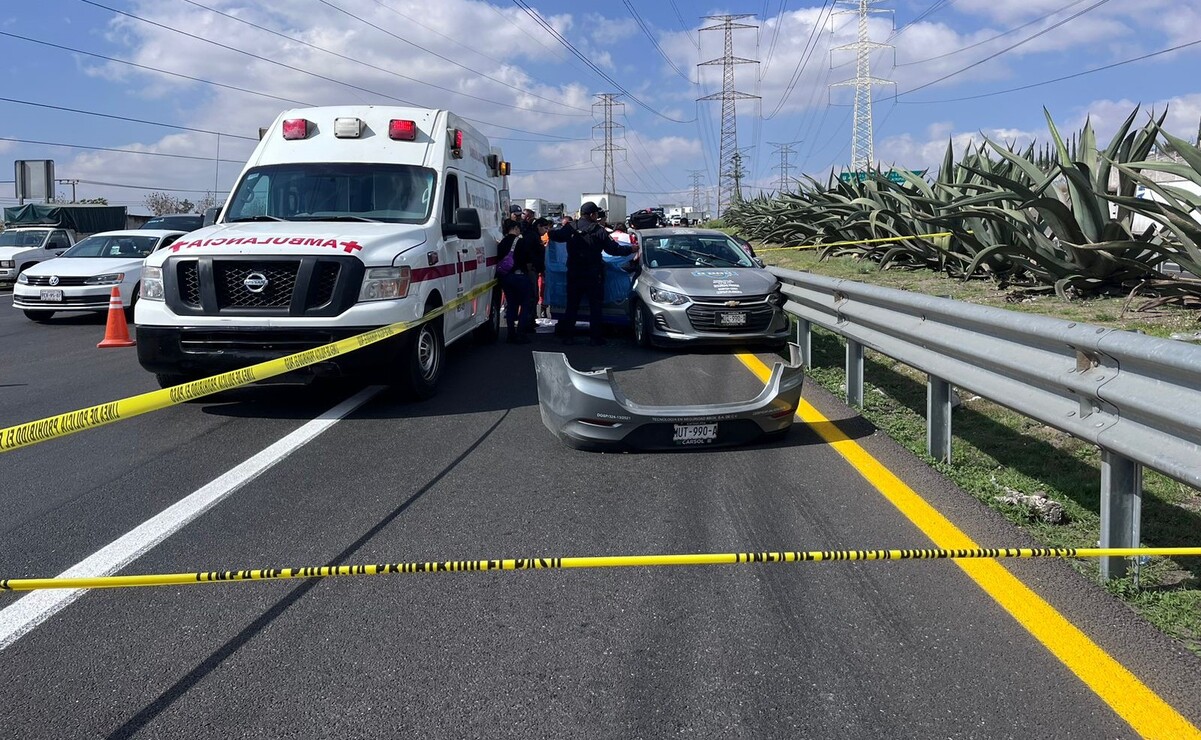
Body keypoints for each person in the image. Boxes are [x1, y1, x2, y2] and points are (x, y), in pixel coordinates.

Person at [550, 201, 639, 346]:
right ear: (592, 214)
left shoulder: (570, 227)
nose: (597, 216)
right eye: (596, 214)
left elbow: (556, 236)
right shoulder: (599, 230)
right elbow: (614, 250)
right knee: (595, 306)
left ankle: (568, 337)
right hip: (593, 274)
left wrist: (548, 231)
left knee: (572, 305)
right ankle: (595, 338)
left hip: (574, 273)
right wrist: (631, 249)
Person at [496, 218, 531, 344]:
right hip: (520, 276)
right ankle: (521, 333)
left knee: (511, 305)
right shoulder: (521, 242)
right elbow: (527, 258)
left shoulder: (501, 243)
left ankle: (510, 334)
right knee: (525, 304)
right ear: (515, 228)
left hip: (506, 277)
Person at [512, 218, 549, 334]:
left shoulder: (530, 235)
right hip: (530, 269)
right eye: (545, 227)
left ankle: (529, 321)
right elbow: (532, 253)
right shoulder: (533, 236)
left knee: (530, 296)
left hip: (528, 269)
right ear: (538, 226)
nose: (546, 231)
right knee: (531, 296)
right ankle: (528, 323)